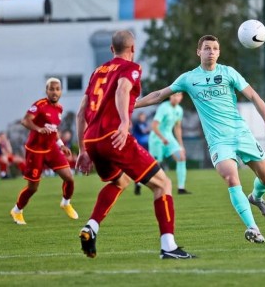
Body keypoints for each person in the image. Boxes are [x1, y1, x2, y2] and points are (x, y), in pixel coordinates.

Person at [135, 35, 265, 243]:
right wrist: (133, 105)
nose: (211, 51)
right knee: (231, 177)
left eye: (214, 48)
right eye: (207, 48)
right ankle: (253, 227)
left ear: (219, 53)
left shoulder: (228, 73)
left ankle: (256, 197)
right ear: (199, 52)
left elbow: (255, 97)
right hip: (218, 141)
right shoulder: (189, 78)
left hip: (241, 133)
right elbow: (159, 94)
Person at [75, 30, 195, 259]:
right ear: (133, 49)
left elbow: (81, 112)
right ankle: (168, 246)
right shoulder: (131, 68)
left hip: (92, 140)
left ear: (111, 49)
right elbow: (122, 89)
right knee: (163, 184)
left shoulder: (97, 72)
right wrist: (123, 122)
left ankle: (91, 227)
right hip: (114, 137)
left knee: (120, 181)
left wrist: (82, 149)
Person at [10, 78, 78, 225]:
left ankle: (66, 203)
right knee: (33, 187)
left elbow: (54, 130)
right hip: (35, 150)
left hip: (51, 148)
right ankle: (17, 211)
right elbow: (25, 121)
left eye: (57, 89)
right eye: (51, 89)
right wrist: (38, 128)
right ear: (46, 91)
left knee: (69, 178)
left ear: (60, 91)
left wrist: (61, 144)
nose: (54, 92)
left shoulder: (59, 108)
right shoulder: (39, 105)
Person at [148, 92, 190, 195]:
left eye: (179, 95)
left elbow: (177, 128)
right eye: (174, 95)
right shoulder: (163, 107)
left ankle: (181, 188)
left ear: (181, 97)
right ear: (170, 96)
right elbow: (154, 126)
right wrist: (162, 138)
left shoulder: (179, 110)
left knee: (181, 157)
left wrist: (181, 145)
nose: (176, 97)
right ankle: (139, 184)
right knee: (155, 165)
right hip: (157, 139)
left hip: (169, 138)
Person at [131, 112, 150, 195]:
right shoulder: (137, 124)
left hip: (146, 146)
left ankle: (139, 183)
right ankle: (138, 183)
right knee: (139, 164)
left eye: (144, 116)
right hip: (139, 146)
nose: (143, 118)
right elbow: (143, 132)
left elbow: (147, 132)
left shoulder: (145, 124)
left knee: (144, 165)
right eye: (142, 116)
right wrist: (148, 129)